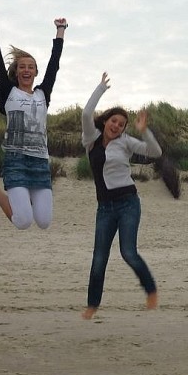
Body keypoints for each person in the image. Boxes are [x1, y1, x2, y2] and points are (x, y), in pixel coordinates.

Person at [0, 0, 67, 230]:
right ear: (16, 72)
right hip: (15, 161)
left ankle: (22, 197)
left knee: (44, 222)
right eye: (22, 67)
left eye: (31, 67)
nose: (26, 70)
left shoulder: (43, 94)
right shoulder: (9, 93)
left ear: (36, 73)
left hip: (40, 162)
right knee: (24, 221)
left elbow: (54, 65)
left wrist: (60, 31)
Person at [80, 73, 162, 320]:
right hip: (104, 208)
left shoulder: (126, 142)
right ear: (105, 121)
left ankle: (150, 290)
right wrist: (100, 89)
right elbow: (86, 114)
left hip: (128, 204)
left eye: (121, 124)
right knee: (99, 258)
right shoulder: (90, 140)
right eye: (114, 121)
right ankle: (92, 305)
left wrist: (144, 131)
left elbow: (155, 152)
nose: (116, 126)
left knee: (128, 252)